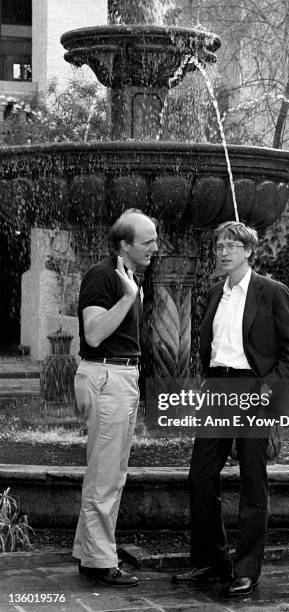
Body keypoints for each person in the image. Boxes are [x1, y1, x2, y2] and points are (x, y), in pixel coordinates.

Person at [173, 221, 289, 596]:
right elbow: (209, 343)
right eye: (220, 246)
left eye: (233, 245)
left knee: (252, 479)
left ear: (249, 251)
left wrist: (267, 389)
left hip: (254, 389)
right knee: (200, 476)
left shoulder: (272, 292)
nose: (224, 251)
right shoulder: (216, 292)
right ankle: (210, 562)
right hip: (219, 388)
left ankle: (246, 569)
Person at [72, 209, 158, 587]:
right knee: (105, 476)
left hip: (119, 377)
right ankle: (100, 562)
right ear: (125, 244)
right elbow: (92, 334)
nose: (156, 247)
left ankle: (90, 553)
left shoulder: (125, 276)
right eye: (148, 241)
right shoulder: (103, 276)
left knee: (110, 474)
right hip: (106, 376)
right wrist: (128, 297)